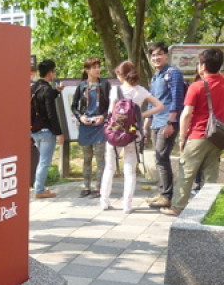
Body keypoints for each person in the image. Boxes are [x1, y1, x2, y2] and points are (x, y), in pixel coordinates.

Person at [161, 48, 224, 216]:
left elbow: (187, 114)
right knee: (211, 175)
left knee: (187, 172)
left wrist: (182, 137)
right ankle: (209, 209)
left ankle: (178, 207)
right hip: (218, 136)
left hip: (198, 135)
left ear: (203, 66)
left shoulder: (197, 86)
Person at [100, 61, 164, 213]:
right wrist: (141, 115)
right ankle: (127, 206)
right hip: (132, 134)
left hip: (114, 134)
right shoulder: (141, 91)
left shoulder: (116, 90)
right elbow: (160, 106)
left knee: (109, 168)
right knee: (130, 170)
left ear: (122, 75)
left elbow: (111, 112)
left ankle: (104, 202)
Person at [146, 42, 185, 209]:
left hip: (167, 121)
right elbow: (151, 101)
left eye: (159, 54)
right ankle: (162, 192)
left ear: (166, 55)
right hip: (156, 121)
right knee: (159, 158)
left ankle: (167, 196)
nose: (156, 58)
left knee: (162, 157)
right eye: (153, 55)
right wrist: (147, 123)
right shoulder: (155, 76)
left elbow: (177, 99)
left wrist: (171, 122)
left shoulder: (173, 73)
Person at [71, 57, 111, 198]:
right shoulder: (82, 86)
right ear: (87, 70)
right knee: (87, 158)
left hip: (100, 126)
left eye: (98, 67)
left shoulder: (105, 84)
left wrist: (103, 116)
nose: (97, 70)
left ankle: (99, 188)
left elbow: (111, 105)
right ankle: (86, 187)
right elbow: (74, 106)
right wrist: (80, 117)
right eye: (94, 67)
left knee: (100, 159)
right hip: (85, 126)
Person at [31, 59, 64, 198]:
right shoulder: (47, 89)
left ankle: (39, 186)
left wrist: (56, 92)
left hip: (34, 130)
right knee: (44, 161)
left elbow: (42, 101)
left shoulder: (34, 87)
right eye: (54, 71)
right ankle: (39, 190)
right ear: (50, 72)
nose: (54, 74)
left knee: (42, 161)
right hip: (46, 132)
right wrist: (59, 133)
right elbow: (51, 114)